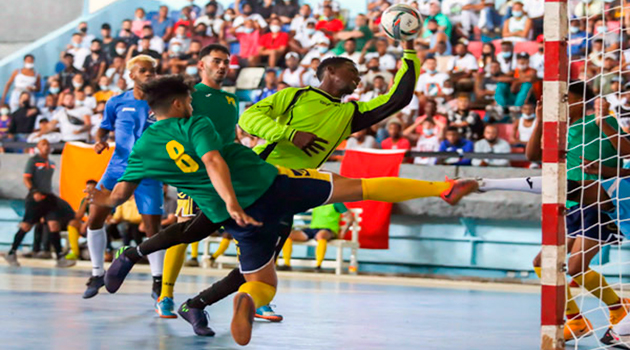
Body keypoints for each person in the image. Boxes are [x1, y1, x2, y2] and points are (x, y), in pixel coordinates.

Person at [90, 74, 478, 346]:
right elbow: (214, 162)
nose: (192, 104)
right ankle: (441, 188)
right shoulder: (198, 123)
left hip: (234, 215)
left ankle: (227, 294)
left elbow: (121, 193)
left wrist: (101, 201)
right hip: (272, 186)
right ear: (179, 104)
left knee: (234, 258)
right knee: (358, 187)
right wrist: (230, 198)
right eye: (188, 100)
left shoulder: (142, 148)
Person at [526, 89, 629, 341]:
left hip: (599, 202)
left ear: (581, 101)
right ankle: (577, 320)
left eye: (566, 100)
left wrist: (604, 121)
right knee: (542, 263)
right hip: (571, 204)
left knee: (575, 267)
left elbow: (627, 152)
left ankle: (618, 309)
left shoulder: (597, 122)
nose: (560, 104)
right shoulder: (558, 128)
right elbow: (532, 156)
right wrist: (539, 120)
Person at [153, 44, 241, 319]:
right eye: (216, 61)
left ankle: (254, 295)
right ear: (201, 65)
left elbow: (230, 139)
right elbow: (165, 127)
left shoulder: (231, 100)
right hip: (195, 177)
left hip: (227, 175)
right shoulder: (189, 96)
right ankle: (165, 296)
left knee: (246, 233)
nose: (223, 66)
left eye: (226, 61)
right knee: (183, 232)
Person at [82, 55, 165, 300]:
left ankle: (157, 280)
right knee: (94, 217)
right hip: (117, 168)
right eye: (144, 70)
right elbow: (104, 126)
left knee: (153, 228)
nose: (150, 74)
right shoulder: (116, 102)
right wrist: (99, 139)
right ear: (132, 75)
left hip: (148, 170)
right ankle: (97, 273)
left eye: (153, 71)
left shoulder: (161, 103)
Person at [3, 139, 78, 268]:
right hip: (35, 199)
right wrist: (33, 191)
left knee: (54, 225)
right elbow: (26, 177)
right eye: (43, 144)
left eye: (48, 144)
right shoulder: (33, 161)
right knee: (26, 226)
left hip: (48, 198)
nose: (46, 147)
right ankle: (12, 252)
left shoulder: (51, 163)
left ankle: (60, 257)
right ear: (38, 147)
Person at [283, 203, 354, 271]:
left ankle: (318, 265)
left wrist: (343, 231)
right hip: (313, 228)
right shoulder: (318, 201)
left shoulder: (337, 203)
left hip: (329, 229)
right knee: (288, 235)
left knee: (320, 235)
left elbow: (350, 217)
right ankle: (286, 264)